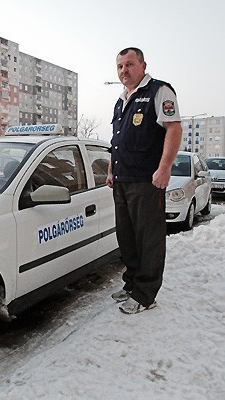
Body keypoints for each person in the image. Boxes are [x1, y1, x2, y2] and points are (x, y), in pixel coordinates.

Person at [106, 47, 182, 314]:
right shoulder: (121, 100)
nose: (124, 71)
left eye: (129, 64)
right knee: (127, 237)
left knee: (148, 239)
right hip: (122, 180)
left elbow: (173, 128)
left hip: (146, 180)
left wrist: (165, 168)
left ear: (143, 65)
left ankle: (146, 294)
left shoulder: (159, 91)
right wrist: (111, 170)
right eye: (120, 66)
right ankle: (132, 284)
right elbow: (117, 140)